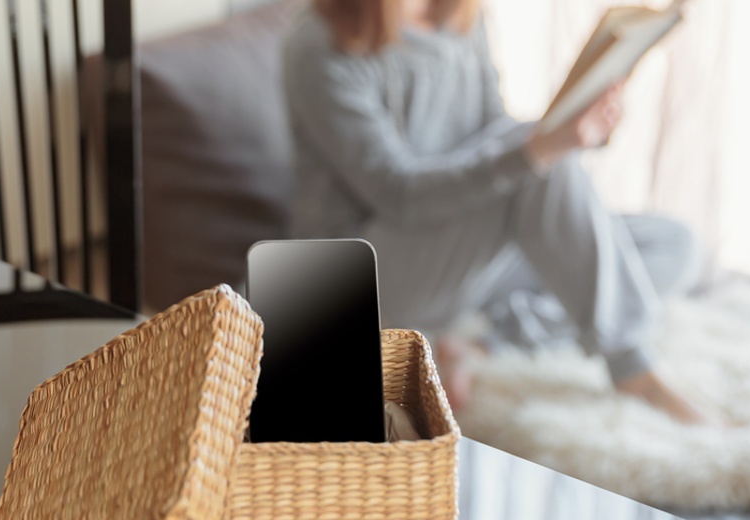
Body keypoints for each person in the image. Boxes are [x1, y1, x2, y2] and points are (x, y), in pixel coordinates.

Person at [282, 0, 706, 422]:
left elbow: (491, 133)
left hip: (467, 252)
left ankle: (485, 345)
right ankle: (633, 367)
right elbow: (399, 193)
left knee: (674, 245)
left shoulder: (461, 18)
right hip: (367, 274)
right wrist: (538, 150)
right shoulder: (320, 44)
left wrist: (577, 132)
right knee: (533, 162)